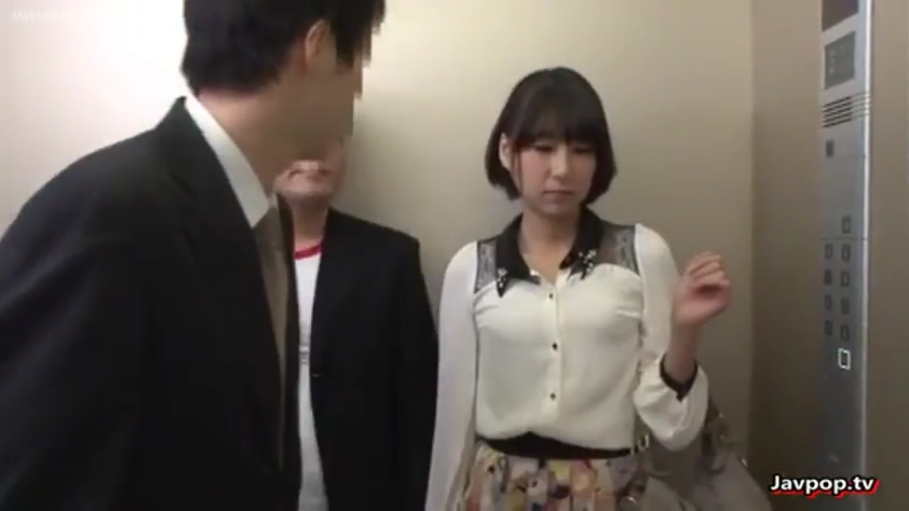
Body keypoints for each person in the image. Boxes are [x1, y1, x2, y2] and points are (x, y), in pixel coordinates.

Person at [0, 0, 385, 509]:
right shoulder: (109, 212)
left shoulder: (267, 219)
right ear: (318, 46)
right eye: (359, 59)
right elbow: (36, 482)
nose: (357, 88)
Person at [425, 67, 733, 510]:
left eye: (581, 150)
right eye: (543, 148)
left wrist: (685, 333)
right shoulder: (471, 268)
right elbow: (453, 426)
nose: (562, 169)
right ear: (508, 151)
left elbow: (674, 429)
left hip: (612, 492)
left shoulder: (640, 253)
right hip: (498, 493)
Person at [272, 140, 437, 510]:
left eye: (328, 136)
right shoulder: (222, 256)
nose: (312, 151)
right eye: (298, 133)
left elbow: (419, 404)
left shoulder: (391, 259)